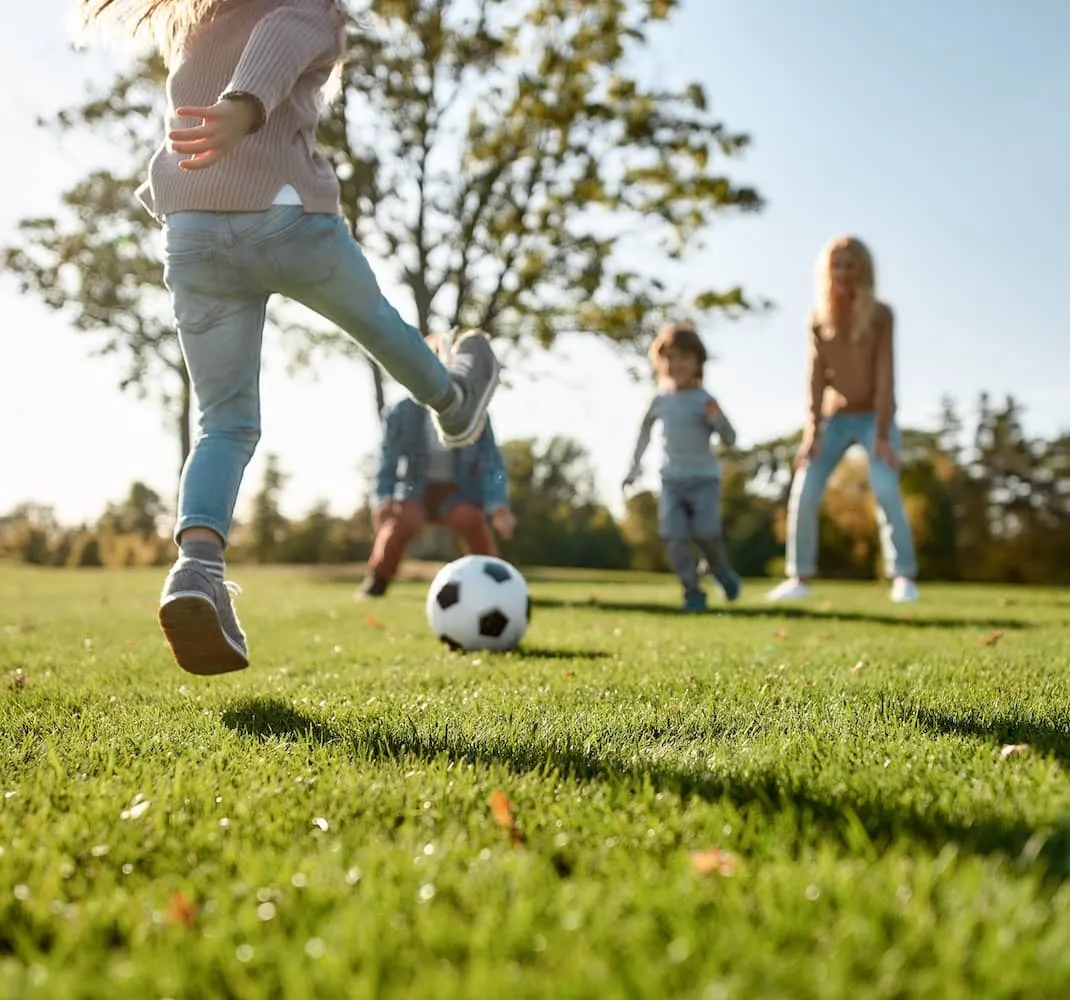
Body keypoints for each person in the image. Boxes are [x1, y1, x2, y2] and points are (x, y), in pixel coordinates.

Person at [79, 0, 501, 675]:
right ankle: (453, 402)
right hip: (286, 217)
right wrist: (244, 107)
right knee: (384, 328)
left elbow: (247, 59)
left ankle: (196, 568)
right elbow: (276, 41)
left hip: (191, 233)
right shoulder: (310, 7)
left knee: (224, 424)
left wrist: (227, 118)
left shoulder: (197, 23)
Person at [766, 235, 919, 603]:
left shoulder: (881, 315)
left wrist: (882, 434)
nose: (843, 272)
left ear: (863, 270)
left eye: (851, 265)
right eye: (837, 265)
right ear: (826, 271)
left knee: (885, 488)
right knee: (804, 490)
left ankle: (903, 576)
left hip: (874, 419)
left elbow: (886, 376)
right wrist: (812, 433)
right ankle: (799, 577)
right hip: (834, 419)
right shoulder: (818, 319)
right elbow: (815, 380)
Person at [623, 322, 741, 613]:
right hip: (672, 481)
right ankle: (692, 591)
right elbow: (643, 434)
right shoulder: (659, 400)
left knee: (707, 533)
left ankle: (720, 570)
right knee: (673, 537)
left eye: (685, 357)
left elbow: (730, 438)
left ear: (698, 362)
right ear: (660, 361)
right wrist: (633, 468)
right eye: (670, 357)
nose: (677, 364)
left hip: (704, 479)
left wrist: (716, 420)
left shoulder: (705, 400)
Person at [359, 389, 516, 599]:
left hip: (456, 491)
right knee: (405, 520)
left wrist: (498, 505)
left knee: (471, 519)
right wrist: (383, 497)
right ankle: (378, 579)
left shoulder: (473, 412)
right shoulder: (401, 412)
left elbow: (491, 461)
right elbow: (388, 457)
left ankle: (494, 583)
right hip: (415, 489)